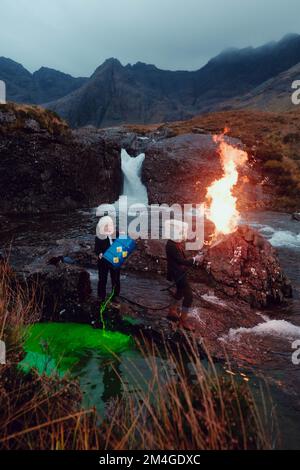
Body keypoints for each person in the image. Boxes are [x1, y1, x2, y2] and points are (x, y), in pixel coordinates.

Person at [165, 220, 203, 330]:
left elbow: (181, 260)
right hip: (178, 274)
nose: (183, 234)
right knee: (189, 297)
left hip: (178, 273)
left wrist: (194, 259)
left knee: (179, 292)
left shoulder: (173, 243)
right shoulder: (171, 245)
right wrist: (195, 259)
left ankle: (172, 311)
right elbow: (180, 261)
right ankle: (183, 320)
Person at [95, 216, 120, 305]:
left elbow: (121, 245)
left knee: (116, 279)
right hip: (103, 262)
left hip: (115, 260)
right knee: (102, 279)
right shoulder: (99, 236)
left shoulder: (116, 234)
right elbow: (96, 249)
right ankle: (101, 296)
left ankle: (115, 296)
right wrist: (99, 254)